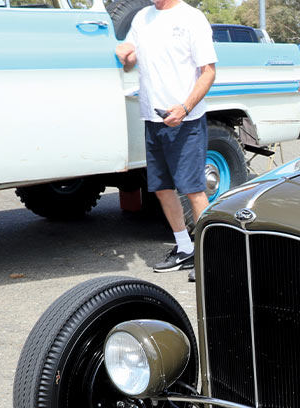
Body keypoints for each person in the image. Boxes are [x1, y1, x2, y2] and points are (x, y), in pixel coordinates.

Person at [115, 0, 217, 273]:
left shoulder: (192, 18)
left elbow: (209, 72)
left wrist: (185, 108)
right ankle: (185, 248)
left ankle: (211, 257)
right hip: (153, 117)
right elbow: (130, 65)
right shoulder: (141, 19)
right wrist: (125, 56)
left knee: (193, 189)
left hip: (185, 119)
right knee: (161, 188)